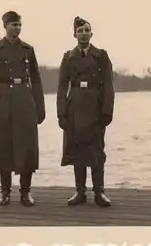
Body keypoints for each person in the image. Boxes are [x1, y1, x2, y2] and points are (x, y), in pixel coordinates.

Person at [0, 11, 45, 207]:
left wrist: (39, 108)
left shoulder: (27, 50)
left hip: (25, 99)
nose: (17, 28)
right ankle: (5, 191)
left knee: (28, 146)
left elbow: (36, 80)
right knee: (3, 145)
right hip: (3, 100)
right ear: (5, 26)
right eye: (13, 24)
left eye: (19, 24)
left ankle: (25, 192)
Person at [56, 16, 115, 207]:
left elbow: (108, 85)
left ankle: (99, 192)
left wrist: (107, 111)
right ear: (74, 34)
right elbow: (61, 87)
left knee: (96, 150)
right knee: (77, 150)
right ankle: (79, 191)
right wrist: (62, 114)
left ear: (92, 33)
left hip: (95, 109)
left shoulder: (101, 56)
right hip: (74, 109)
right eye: (80, 31)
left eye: (87, 30)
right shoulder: (68, 57)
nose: (83, 34)